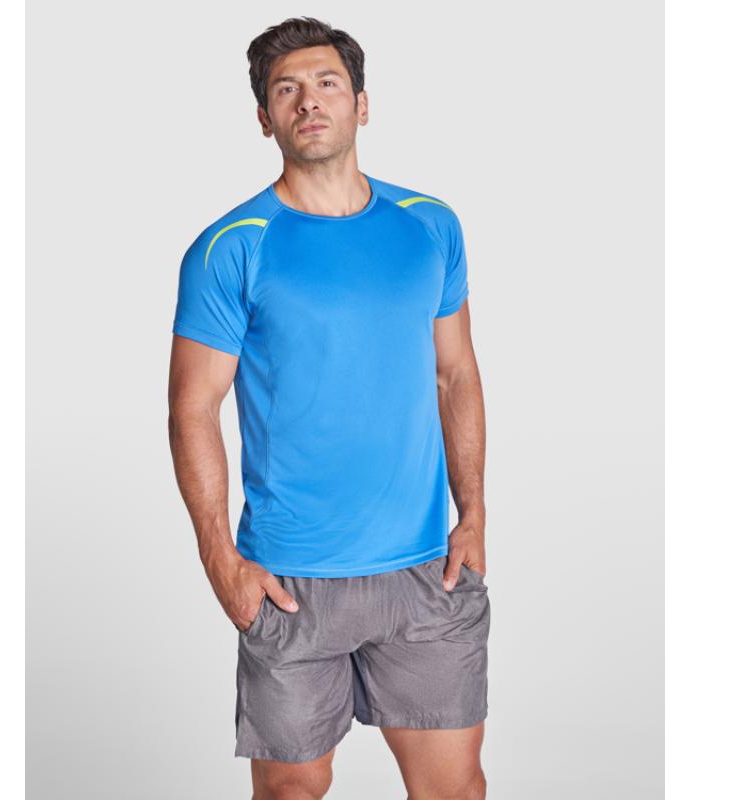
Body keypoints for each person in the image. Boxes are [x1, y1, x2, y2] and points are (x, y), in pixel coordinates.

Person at [167, 16, 490, 800]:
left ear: (361, 104)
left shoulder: (430, 225)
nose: (308, 101)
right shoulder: (232, 246)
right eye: (287, 90)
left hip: (425, 572)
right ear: (264, 118)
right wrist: (220, 560)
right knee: (292, 791)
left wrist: (474, 513)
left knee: (453, 790)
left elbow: (456, 375)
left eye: (326, 84)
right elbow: (192, 408)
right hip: (291, 579)